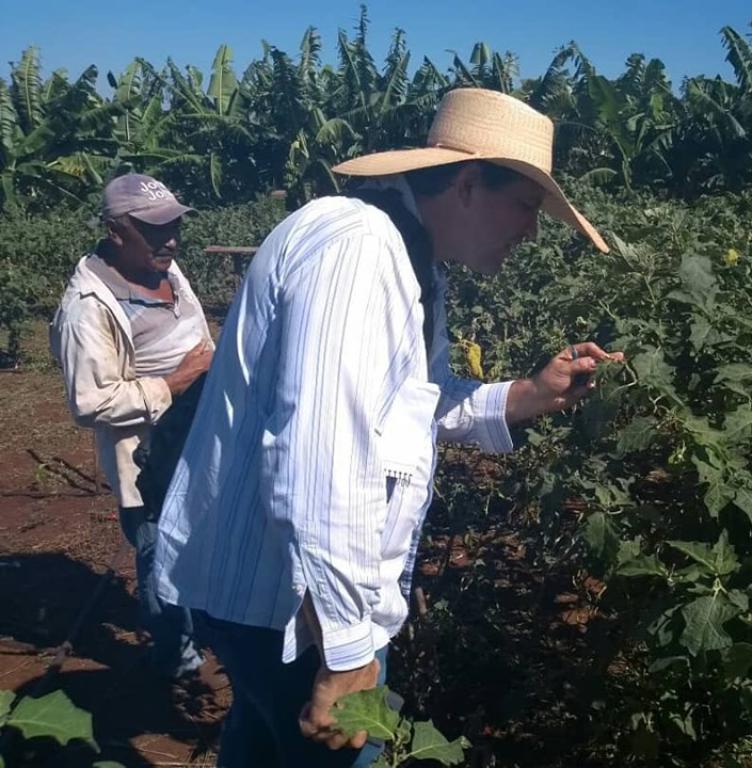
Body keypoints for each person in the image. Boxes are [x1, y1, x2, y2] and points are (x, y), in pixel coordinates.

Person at [153, 88, 622, 767]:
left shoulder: (407, 257)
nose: (532, 232)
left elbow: (411, 401)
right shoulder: (359, 251)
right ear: (467, 185)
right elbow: (322, 456)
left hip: (284, 597)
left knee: (259, 741)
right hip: (296, 611)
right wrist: (346, 648)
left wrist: (528, 394)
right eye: (526, 205)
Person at [50, 173, 213, 679]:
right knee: (158, 549)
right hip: (149, 456)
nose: (171, 240)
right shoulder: (87, 308)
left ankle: (198, 631)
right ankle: (175, 657)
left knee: (198, 540)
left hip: (196, 436)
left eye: (174, 226)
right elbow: (90, 402)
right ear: (115, 231)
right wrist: (176, 382)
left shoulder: (164, 267)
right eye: (154, 229)